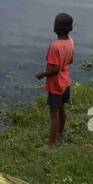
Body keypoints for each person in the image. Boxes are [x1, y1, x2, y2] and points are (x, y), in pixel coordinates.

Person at [35, 13, 75, 146]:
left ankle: (51, 142)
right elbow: (71, 60)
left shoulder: (54, 46)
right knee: (62, 109)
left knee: (54, 114)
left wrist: (43, 74)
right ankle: (60, 134)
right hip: (65, 82)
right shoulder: (70, 41)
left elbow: (55, 69)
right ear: (70, 29)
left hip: (56, 84)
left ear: (55, 28)